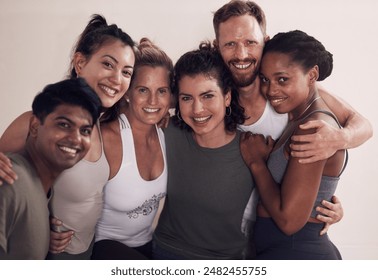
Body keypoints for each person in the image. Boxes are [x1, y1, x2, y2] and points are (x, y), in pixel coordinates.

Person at [212, 0, 372, 251]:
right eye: (230, 43)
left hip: (285, 244)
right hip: (232, 244)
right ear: (217, 47)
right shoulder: (208, 96)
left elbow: (363, 124)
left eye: (250, 42)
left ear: (264, 41)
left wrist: (338, 139)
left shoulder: (295, 93)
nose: (241, 54)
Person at [0, 14, 136, 259]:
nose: (117, 79)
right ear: (80, 63)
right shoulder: (38, 121)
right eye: (108, 64)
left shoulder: (99, 124)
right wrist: (37, 225)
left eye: (126, 72)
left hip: (86, 252)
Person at [240, 30, 347, 259]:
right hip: (286, 250)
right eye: (266, 80)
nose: (271, 90)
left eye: (282, 79)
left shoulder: (313, 130)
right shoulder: (300, 117)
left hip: (297, 251)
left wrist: (257, 163)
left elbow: (289, 221)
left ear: (312, 75)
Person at [153, 42, 254, 260]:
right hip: (166, 252)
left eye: (207, 96)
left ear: (227, 97)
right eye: (186, 98)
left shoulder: (252, 148)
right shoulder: (166, 131)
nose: (197, 109)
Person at [0, 78, 101, 259]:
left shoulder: (39, 188)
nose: (76, 139)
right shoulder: (9, 183)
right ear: (35, 126)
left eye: (85, 130)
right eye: (64, 124)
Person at [91, 38, 173, 260]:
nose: (153, 101)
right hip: (102, 247)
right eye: (143, 90)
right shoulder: (105, 137)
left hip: (146, 246)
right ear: (127, 91)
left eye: (162, 91)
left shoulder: (166, 132)